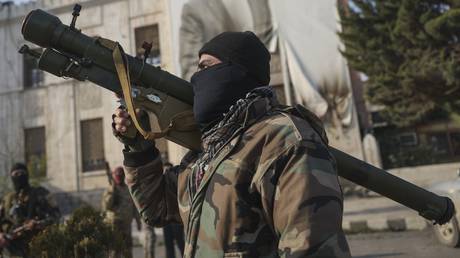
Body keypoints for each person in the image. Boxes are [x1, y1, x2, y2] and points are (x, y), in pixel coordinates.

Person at [113, 31, 351, 257]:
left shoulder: (285, 141)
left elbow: (312, 249)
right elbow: (158, 209)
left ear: (237, 72)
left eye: (206, 67)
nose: (196, 79)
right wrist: (138, 145)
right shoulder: (207, 152)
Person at [0, 163, 60, 258]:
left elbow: (56, 216)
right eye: (15, 174)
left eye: (21, 173)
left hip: (37, 248)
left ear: (27, 175)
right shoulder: (7, 200)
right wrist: (2, 236)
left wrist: (38, 224)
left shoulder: (41, 194)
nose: (19, 176)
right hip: (12, 251)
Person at [102, 165, 141, 258]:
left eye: (121, 175)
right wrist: (112, 190)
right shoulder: (110, 190)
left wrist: (138, 221)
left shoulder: (128, 189)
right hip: (114, 226)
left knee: (128, 251)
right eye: (117, 175)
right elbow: (106, 206)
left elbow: (134, 206)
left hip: (126, 226)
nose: (119, 177)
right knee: (114, 252)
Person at [161, 162, 185, 258]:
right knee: (169, 246)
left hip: (177, 221)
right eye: (165, 171)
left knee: (181, 244)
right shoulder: (162, 187)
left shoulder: (178, 185)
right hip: (166, 222)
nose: (167, 173)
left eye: (169, 170)